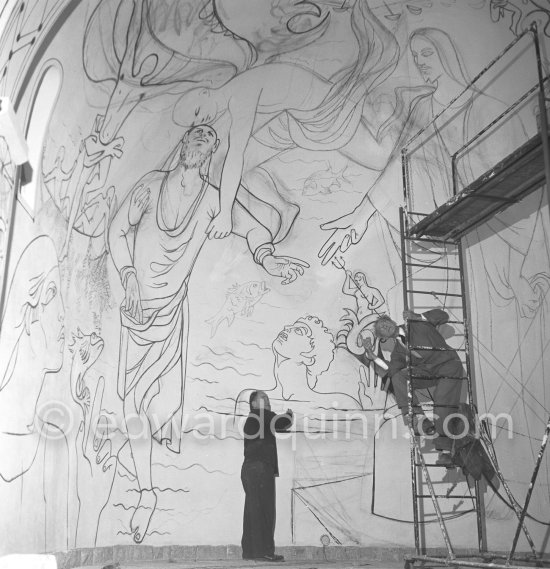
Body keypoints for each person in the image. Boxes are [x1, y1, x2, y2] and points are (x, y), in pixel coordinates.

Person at [108, 123, 308, 544]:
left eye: (206, 141)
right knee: (129, 401)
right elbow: (116, 230)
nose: (197, 145)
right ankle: (145, 489)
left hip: (168, 314)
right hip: (135, 310)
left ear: (213, 152)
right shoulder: (150, 185)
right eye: (192, 138)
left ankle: (146, 493)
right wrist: (127, 273)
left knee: (147, 401)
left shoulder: (215, 203)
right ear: (182, 144)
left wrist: (266, 256)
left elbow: (251, 227)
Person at [364, 309, 464, 462]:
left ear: (391, 320)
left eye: (385, 323)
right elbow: (390, 370)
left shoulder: (415, 322)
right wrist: (373, 357)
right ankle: (417, 417)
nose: (385, 327)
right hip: (430, 373)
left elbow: (443, 316)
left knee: (442, 403)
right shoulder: (398, 351)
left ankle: (445, 451)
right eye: (381, 329)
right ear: (383, 338)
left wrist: (419, 316)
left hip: (448, 365)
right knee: (398, 376)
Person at [241, 391, 293, 562]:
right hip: (260, 469)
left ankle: (250, 552)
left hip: (250, 469)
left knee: (252, 511)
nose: (268, 402)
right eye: (264, 399)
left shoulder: (255, 419)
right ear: (254, 404)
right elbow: (282, 422)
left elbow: (276, 426)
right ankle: (264, 552)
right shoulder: (261, 415)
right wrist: (289, 414)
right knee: (264, 511)